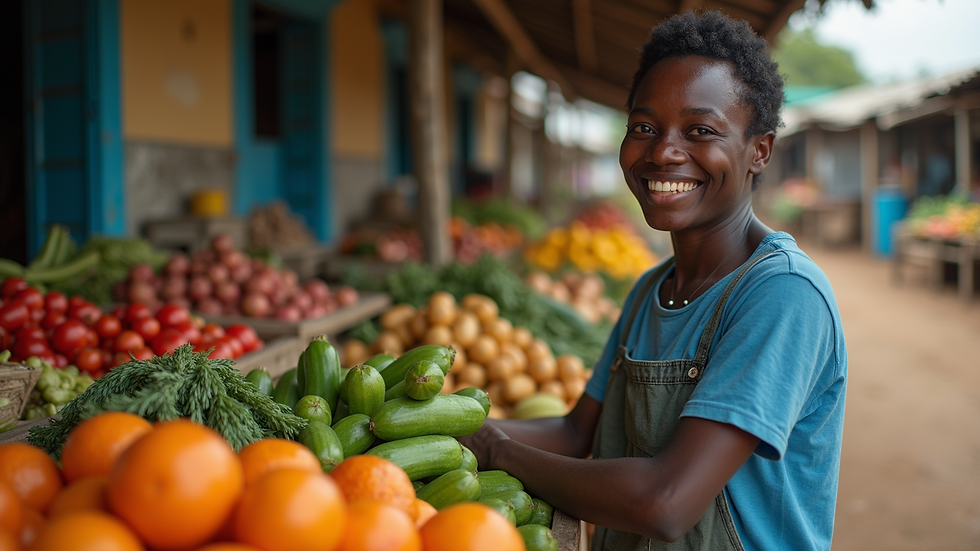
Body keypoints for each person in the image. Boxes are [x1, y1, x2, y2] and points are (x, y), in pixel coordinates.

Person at [459, 10, 847, 551]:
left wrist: (497, 450)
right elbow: (576, 435)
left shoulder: (782, 295)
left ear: (759, 150)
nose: (662, 151)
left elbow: (666, 503)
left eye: (700, 131)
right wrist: (448, 427)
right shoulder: (651, 290)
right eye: (644, 127)